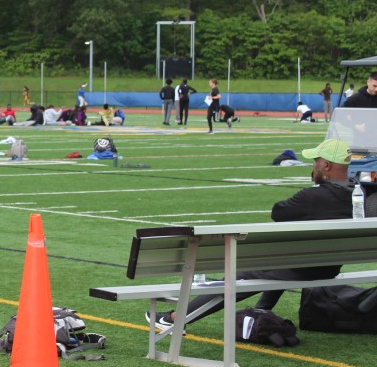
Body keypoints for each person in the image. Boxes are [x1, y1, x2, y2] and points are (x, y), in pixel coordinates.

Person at [147, 139, 355, 330]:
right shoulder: (357, 193)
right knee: (282, 260)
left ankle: (176, 318)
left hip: (307, 268)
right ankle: (262, 309)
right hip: (329, 267)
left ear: (326, 165)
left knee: (238, 275)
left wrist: (316, 189)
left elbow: (279, 212)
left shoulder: (313, 196)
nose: (313, 165)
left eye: (316, 161)